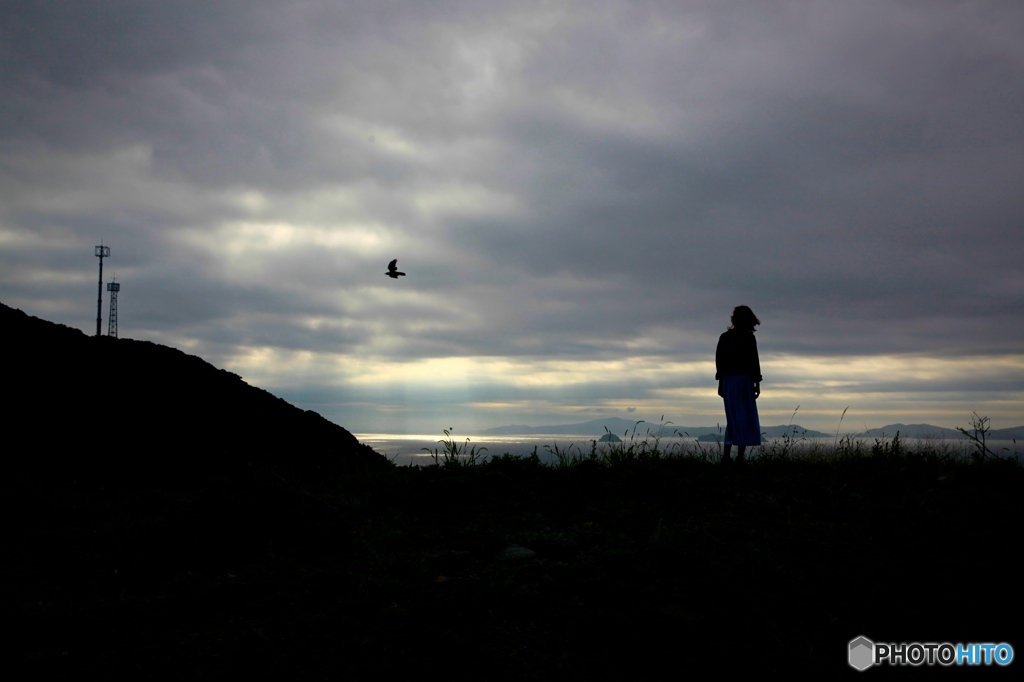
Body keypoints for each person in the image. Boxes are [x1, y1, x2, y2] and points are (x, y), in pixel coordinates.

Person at [716, 305, 762, 463]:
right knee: (744, 417)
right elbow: (754, 362)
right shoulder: (748, 338)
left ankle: (727, 456)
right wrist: (756, 383)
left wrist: (721, 383)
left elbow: (720, 362)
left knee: (733, 417)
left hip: (730, 381)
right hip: (743, 380)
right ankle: (739, 456)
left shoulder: (725, 337)